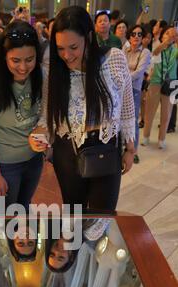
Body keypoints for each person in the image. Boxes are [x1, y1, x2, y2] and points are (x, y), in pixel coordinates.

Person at [30, 6, 135, 212]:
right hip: (68, 155)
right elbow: (47, 117)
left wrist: (130, 149)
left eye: (73, 47)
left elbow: (127, 110)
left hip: (106, 150)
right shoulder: (54, 69)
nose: (66, 55)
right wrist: (37, 137)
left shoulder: (114, 59)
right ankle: (75, 245)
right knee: (74, 213)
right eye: (60, 48)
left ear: (88, 37)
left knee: (102, 216)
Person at [0, 21, 43, 213]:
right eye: (15, 60)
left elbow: (43, 117)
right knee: (7, 213)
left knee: (24, 207)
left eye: (29, 59)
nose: (23, 67)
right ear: (4, 57)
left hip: (33, 160)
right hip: (6, 164)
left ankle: (20, 242)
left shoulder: (39, 75)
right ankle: (6, 243)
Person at [142, 27, 178, 149]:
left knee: (166, 114)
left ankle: (162, 139)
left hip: (172, 83)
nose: (170, 35)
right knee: (149, 112)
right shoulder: (157, 46)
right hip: (156, 82)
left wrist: (175, 40)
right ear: (162, 36)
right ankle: (146, 136)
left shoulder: (176, 50)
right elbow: (155, 53)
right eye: (167, 33)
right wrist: (165, 43)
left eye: (173, 34)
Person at [124, 25, 151, 163]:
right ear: (129, 36)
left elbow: (139, 72)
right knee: (120, 118)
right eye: (133, 34)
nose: (136, 36)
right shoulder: (125, 49)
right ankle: (124, 146)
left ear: (143, 37)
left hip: (134, 90)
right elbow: (119, 66)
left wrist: (123, 77)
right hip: (122, 89)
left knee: (132, 121)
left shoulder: (145, 52)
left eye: (139, 34)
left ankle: (133, 151)